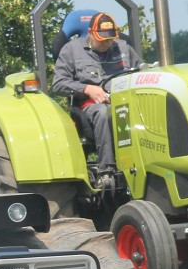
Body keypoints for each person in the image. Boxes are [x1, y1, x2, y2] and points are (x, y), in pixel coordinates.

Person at [52, 11, 143, 167]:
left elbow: (143, 74)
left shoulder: (124, 49)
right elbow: (58, 83)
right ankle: (107, 168)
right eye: (102, 40)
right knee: (104, 112)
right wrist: (87, 89)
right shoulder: (71, 50)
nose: (106, 43)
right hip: (91, 104)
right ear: (90, 33)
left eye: (109, 39)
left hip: (124, 100)